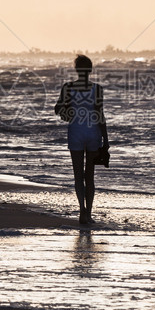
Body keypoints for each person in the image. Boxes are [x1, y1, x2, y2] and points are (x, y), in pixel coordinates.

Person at [55, 54, 109, 226]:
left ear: (77, 69)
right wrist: (106, 140)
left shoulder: (68, 87)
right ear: (90, 70)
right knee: (90, 177)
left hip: (76, 132)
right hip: (93, 133)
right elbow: (100, 115)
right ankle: (89, 213)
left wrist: (67, 110)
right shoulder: (97, 89)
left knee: (78, 176)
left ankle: (82, 211)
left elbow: (57, 109)